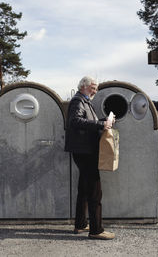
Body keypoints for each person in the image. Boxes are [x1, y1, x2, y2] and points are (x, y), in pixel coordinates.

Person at [65, 76, 115, 240]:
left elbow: (87, 121)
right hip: (85, 151)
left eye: (96, 88)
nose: (95, 91)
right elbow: (75, 121)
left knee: (84, 189)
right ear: (84, 86)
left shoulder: (84, 101)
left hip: (84, 150)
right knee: (95, 191)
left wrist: (104, 121)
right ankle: (96, 230)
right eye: (93, 87)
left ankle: (80, 224)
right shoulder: (78, 101)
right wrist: (101, 125)